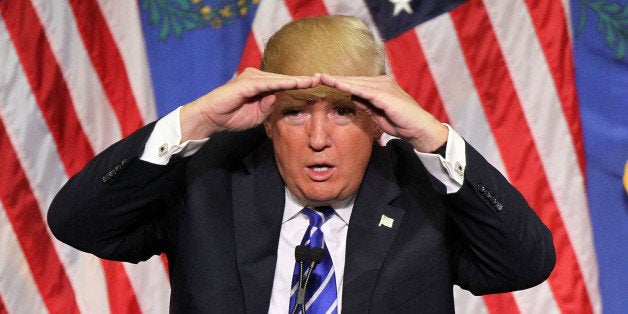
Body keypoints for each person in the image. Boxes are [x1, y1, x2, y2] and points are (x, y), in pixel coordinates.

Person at [48, 15, 555, 313]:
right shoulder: (211, 182)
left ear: (380, 120)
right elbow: (79, 222)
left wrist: (435, 138)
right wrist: (196, 119)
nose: (318, 139)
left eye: (342, 112)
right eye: (294, 114)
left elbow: (525, 263)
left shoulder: (424, 193)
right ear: (267, 122)